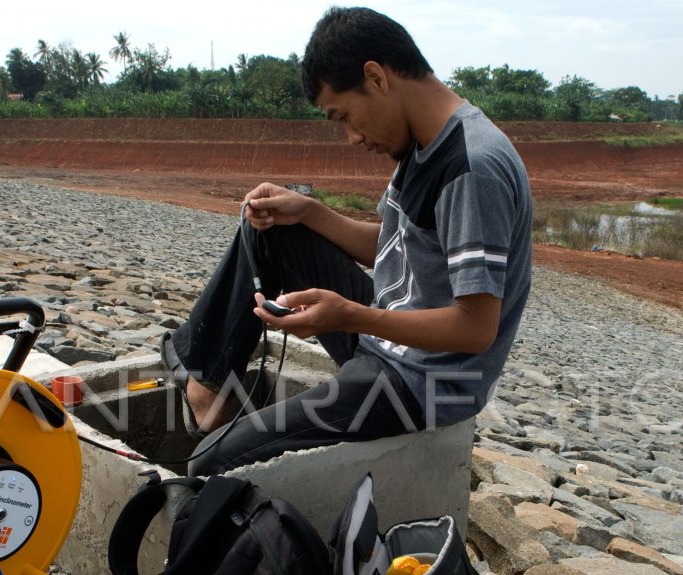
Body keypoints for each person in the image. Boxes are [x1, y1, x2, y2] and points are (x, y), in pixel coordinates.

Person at [163, 6, 533, 475]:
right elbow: (396, 247)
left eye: (344, 117)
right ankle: (207, 386)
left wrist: (350, 316)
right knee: (277, 231)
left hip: (421, 383)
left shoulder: (470, 165)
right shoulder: (422, 145)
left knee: (210, 461)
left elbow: (476, 328)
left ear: (376, 78)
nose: (352, 137)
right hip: (391, 335)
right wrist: (309, 211)